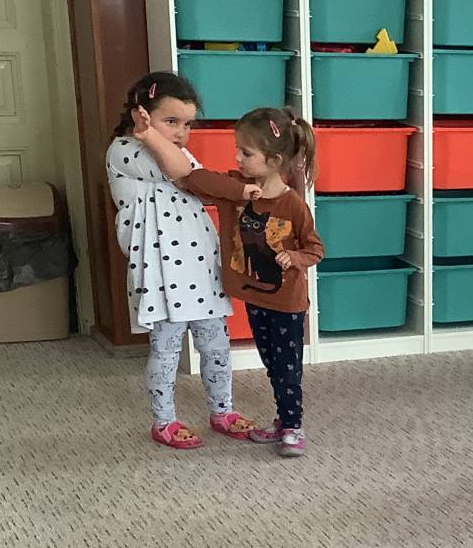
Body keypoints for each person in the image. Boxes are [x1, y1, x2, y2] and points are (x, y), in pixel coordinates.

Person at [138, 105, 325, 458]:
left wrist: (295, 257)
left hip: (286, 302)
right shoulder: (236, 188)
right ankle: (283, 422)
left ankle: (293, 426)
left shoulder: (293, 206)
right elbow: (196, 179)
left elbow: (315, 248)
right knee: (272, 364)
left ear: (273, 161)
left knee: (287, 368)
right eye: (237, 149)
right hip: (256, 298)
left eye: (246, 153)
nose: (237, 157)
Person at [106, 71, 257, 450]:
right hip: (161, 272)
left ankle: (222, 410)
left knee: (216, 346)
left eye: (187, 124)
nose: (180, 132)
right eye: (171, 121)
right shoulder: (124, 150)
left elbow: (195, 179)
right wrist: (146, 135)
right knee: (166, 350)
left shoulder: (172, 151)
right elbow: (182, 172)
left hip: (200, 267)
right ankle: (164, 421)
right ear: (140, 115)